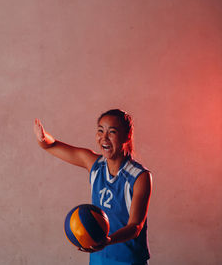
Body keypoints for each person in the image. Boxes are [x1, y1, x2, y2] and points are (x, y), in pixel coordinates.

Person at [34, 109, 152, 265]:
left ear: (127, 135)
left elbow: (136, 226)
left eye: (112, 132)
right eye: (100, 131)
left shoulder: (140, 176)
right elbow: (51, 145)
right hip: (99, 257)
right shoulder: (95, 164)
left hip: (128, 259)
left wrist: (108, 240)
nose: (104, 138)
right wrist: (42, 138)